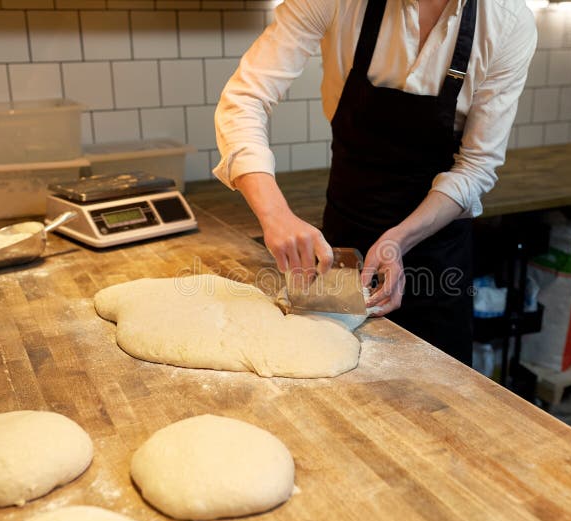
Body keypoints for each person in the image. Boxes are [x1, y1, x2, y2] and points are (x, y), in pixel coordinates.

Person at [214, 0, 537, 364]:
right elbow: (245, 98)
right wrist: (274, 214)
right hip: (341, 249)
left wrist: (399, 239)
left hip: (437, 254)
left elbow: (476, 167)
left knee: (435, 395)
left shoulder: (508, 22)